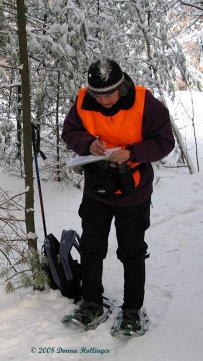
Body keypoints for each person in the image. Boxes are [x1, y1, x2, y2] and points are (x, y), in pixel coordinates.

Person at [61, 58, 175, 333]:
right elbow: (70, 132)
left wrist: (132, 154)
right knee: (91, 248)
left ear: (121, 84)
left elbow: (164, 142)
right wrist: (89, 144)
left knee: (132, 252)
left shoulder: (145, 103)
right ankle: (91, 303)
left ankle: (133, 310)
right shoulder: (82, 102)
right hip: (97, 190)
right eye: (99, 96)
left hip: (133, 191)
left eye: (110, 94)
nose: (106, 101)